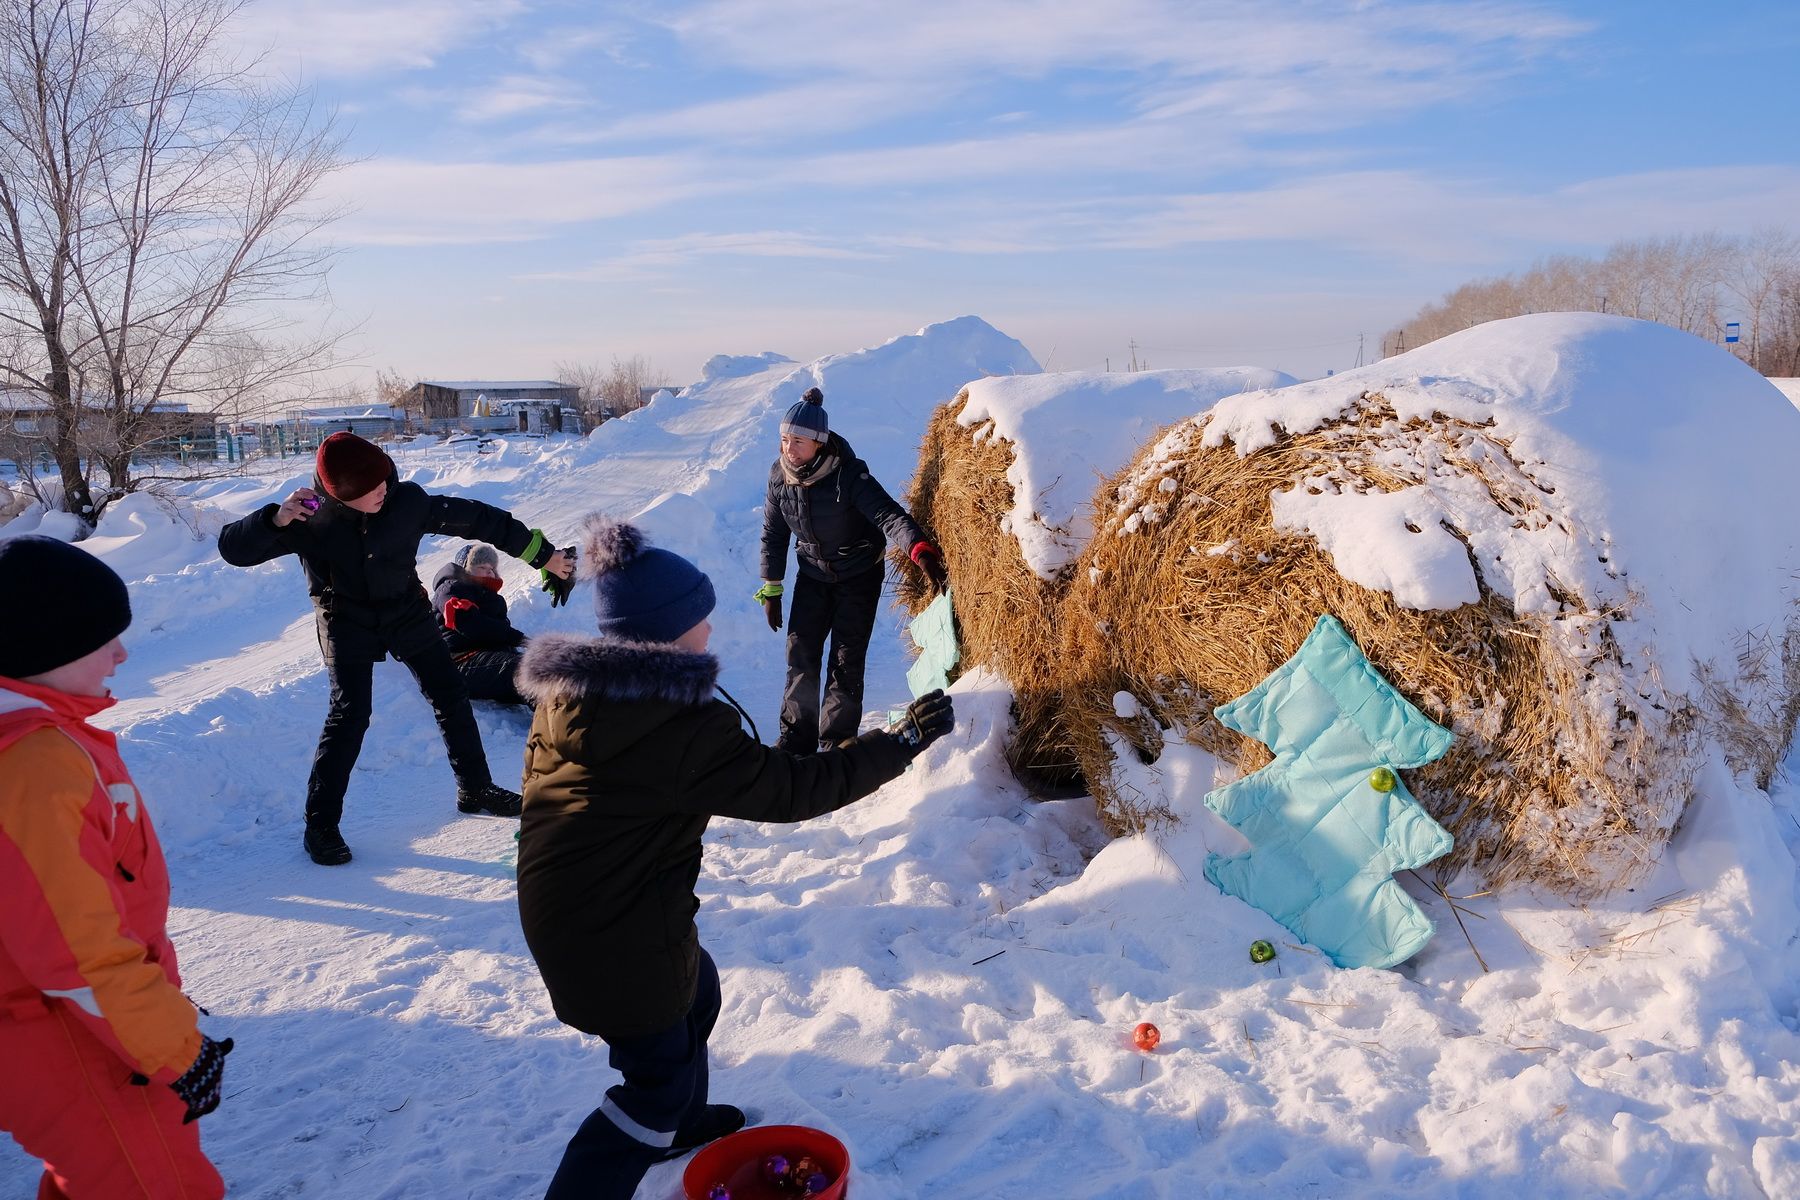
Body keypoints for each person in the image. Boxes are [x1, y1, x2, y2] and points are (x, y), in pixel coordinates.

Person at [515, 513, 954, 1200]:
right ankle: (643, 1139)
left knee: (698, 989)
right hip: (610, 936)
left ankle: (684, 1121)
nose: (711, 630)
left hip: (586, 913)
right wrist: (894, 745)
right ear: (663, 634)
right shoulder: (673, 727)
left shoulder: (580, 695)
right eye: (698, 618)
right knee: (651, 1090)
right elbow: (789, 791)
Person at [0, 536, 234, 1199]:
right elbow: (77, 954)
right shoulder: (34, 766)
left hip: (78, 1030)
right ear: (45, 646)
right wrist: (173, 1047)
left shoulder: (51, 739)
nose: (123, 654)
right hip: (66, 1040)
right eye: (104, 638)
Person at [218, 431, 575, 866]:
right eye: (369, 491)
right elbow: (232, 550)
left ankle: (475, 787)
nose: (382, 492)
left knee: (450, 693)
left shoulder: (406, 502)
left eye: (384, 480)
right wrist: (272, 519)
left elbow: (483, 519)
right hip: (344, 620)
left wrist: (546, 556)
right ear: (339, 494)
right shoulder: (308, 518)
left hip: (405, 611)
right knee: (349, 715)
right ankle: (321, 826)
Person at [758, 385, 948, 754]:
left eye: (797, 440)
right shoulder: (779, 477)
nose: (788, 448)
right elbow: (773, 533)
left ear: (818, 442)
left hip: (858, 574)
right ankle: (797, 738)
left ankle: (836, 741)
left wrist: (919, 549)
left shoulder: (849, 475)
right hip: (813, 574)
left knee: (845, 658)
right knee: (801, 653)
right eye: (784, 439)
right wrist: (772, 587)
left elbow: (887, 515)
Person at [431, 543, 530, 707]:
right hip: (461, 662)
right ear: (465, 569)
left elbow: (498, 635)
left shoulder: (494, 599)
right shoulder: (451, 589)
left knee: (545, 669)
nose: (489, 571)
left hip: (487, 660)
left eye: (492, 568)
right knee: (528, 670)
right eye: (482, 566)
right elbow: (472, 625)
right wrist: (518, 638)